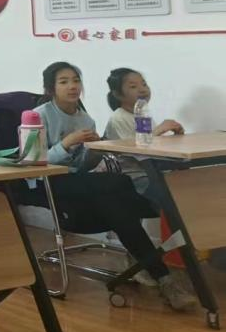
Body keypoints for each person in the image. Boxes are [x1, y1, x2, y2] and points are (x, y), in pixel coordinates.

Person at [22, 62, 196, 311]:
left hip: (78, 180)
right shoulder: (38, 115)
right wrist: (66, 143)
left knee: (117, 205)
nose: (72, 86)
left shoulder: (85, 118)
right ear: (51, 88)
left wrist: (95, 151)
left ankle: (163, 278)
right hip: (48, 181)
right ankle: (159, 276)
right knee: (118, 183)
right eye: (64, 82)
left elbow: (82, 166)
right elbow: (31, 162)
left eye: (76, 80)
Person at [104, 68, 185, 197]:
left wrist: (176, 137)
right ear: (118, 94)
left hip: (154, 172)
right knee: (176, 192)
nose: (142, 89)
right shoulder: (118, 118)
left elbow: (154, 145)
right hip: (135, 177)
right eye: (133, 86)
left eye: (144, 84)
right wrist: (159, 130)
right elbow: (136, 150)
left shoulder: (142, 115)